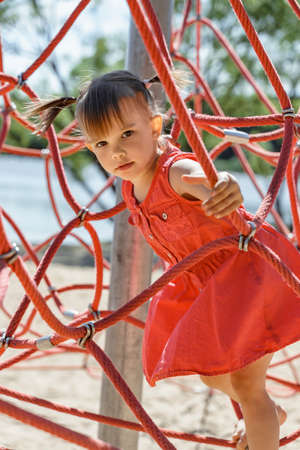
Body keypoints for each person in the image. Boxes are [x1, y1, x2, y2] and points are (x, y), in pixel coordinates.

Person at [28, 70, 300, 450]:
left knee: (246, 384)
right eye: (102, 144)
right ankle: (268, 413)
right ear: (90, 148)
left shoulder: (173, 171)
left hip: (246, 278)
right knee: (214, 376)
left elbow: (202, 176)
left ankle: (264, 417)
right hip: (206, 288)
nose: (117, 152)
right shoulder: (130, 185)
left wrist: (223, 185)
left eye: (127, 134)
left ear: (155, 126)